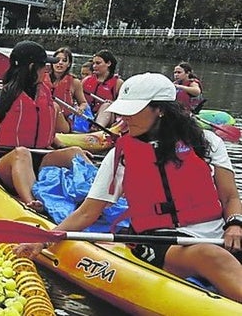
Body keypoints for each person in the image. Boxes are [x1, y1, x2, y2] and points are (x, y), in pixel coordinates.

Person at [14, 73, 242, 303]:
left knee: (215, 250)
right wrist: (45, 239)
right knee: (210, 256)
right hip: (158, 240)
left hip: (218, 232)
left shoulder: (207, 142)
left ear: (161, 110)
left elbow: (230, 196)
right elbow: (87, 212)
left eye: (133, 110)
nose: (124, 116)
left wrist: (234, 224)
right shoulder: (120, 155)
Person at [0, 41, 90, 212]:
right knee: (21, 153)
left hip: (36, 159)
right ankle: (31, 203)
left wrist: (62, 146)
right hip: (3, 162)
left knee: (74, 152)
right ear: (32, 67)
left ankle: (99, 197)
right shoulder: (5, 98)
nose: (47, 69)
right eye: (43, 65)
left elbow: (53, 133)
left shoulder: (44, 95)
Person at [47, 47, 89, 127]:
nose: (60, 63)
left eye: (64, 60)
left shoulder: (75, 82)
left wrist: (80, 109)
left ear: (69, 64)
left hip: (64, 121)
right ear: (52, 62)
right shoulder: (42, 78)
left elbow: (83, 103)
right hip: (44, 115)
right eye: (57, 60)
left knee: (55, 107)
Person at [82, 49, 123, 128]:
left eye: (98, 63)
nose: (94, 66)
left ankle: (96, 128)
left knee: (106, 105)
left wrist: (112, 103)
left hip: (107, 118)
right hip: (88, 115)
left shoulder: (118, 83)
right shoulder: (86, 80)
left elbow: (123, 106)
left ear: (108, 63)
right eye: (93, 63)